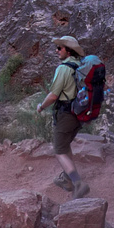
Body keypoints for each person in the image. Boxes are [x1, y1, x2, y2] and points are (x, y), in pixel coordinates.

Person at [36, 35, 90, 199]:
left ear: (68, 50)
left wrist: (41, 107)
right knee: (65, 146)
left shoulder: (64, 68)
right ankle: (67, 179)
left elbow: (53, 96)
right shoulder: (82, 66)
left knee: (59, 150)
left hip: (66, 114)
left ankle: (78, 183)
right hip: (79, 115)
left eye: (60, 48)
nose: (57, 50)